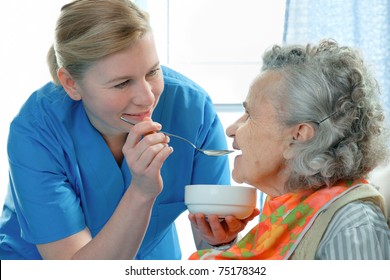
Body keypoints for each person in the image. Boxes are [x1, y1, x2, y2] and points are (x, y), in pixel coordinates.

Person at [0, 0, 256, 260]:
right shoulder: (36, 132)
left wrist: (222, 239)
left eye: (153, 71)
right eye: (122, 83)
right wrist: (141, 191)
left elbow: (210, 236)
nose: (147, 98)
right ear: (71, 84)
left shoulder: (193, 111)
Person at [189, 39, 390, 260]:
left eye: (249, 115)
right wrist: (223, 245)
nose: (231, 129)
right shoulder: (288, 211)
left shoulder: (352, 224)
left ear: (298, 137)